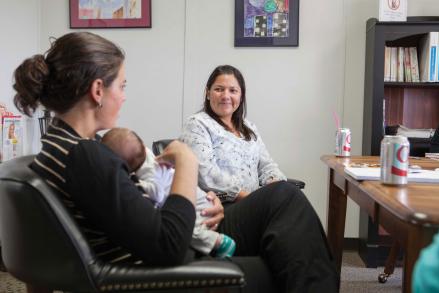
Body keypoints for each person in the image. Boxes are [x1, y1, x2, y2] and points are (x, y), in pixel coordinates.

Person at [13, 32, 201, 267]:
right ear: (98, 90)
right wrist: (187, 160)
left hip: (174, 236)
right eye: (121, 87)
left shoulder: (61, 143)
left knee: (263, 204)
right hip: (166, 273)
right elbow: (169, 246)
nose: (123, 97)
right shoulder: (85, 157)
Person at [180, 64, 339, 292]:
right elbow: (205, 173)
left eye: (233, 90)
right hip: (220, 212)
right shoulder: (197, 124)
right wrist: (251, 197)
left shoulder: (248, 128)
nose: (226, 96)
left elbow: (267, 164)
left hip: (255, 208)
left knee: (287, 201)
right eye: (219, 89)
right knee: (285, 197)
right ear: (207, 92)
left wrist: (275, 181)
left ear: (241, 95)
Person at [101, 127, 236, 257]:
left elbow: (157, 194)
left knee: (186, 232)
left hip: (199, 206)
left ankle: (220, 243)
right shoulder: (145, 153)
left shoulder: (149, 174)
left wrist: (138, 185)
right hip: (203, 197)